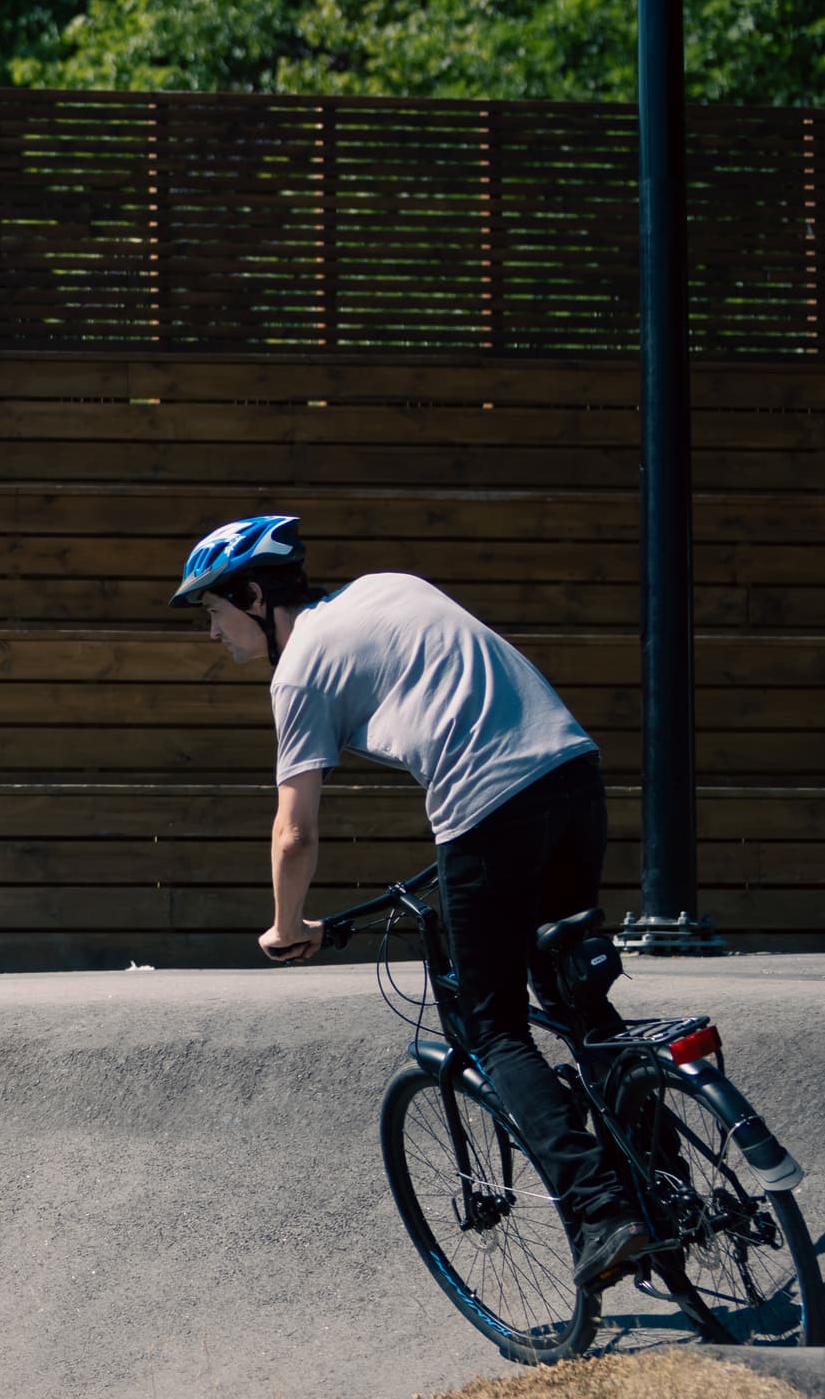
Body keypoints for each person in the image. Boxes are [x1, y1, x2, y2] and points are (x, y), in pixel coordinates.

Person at [176, 515, 662, 1291]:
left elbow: (294, 833)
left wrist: (287, 925)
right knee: (574, 994)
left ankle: (605, 1213)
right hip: (573, 772)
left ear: (254, 595)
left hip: (488, 807)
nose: (212, 632)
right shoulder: (387, 586)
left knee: (493, 1030)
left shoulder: (297, 670)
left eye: (212, 610)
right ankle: (667, 1178)